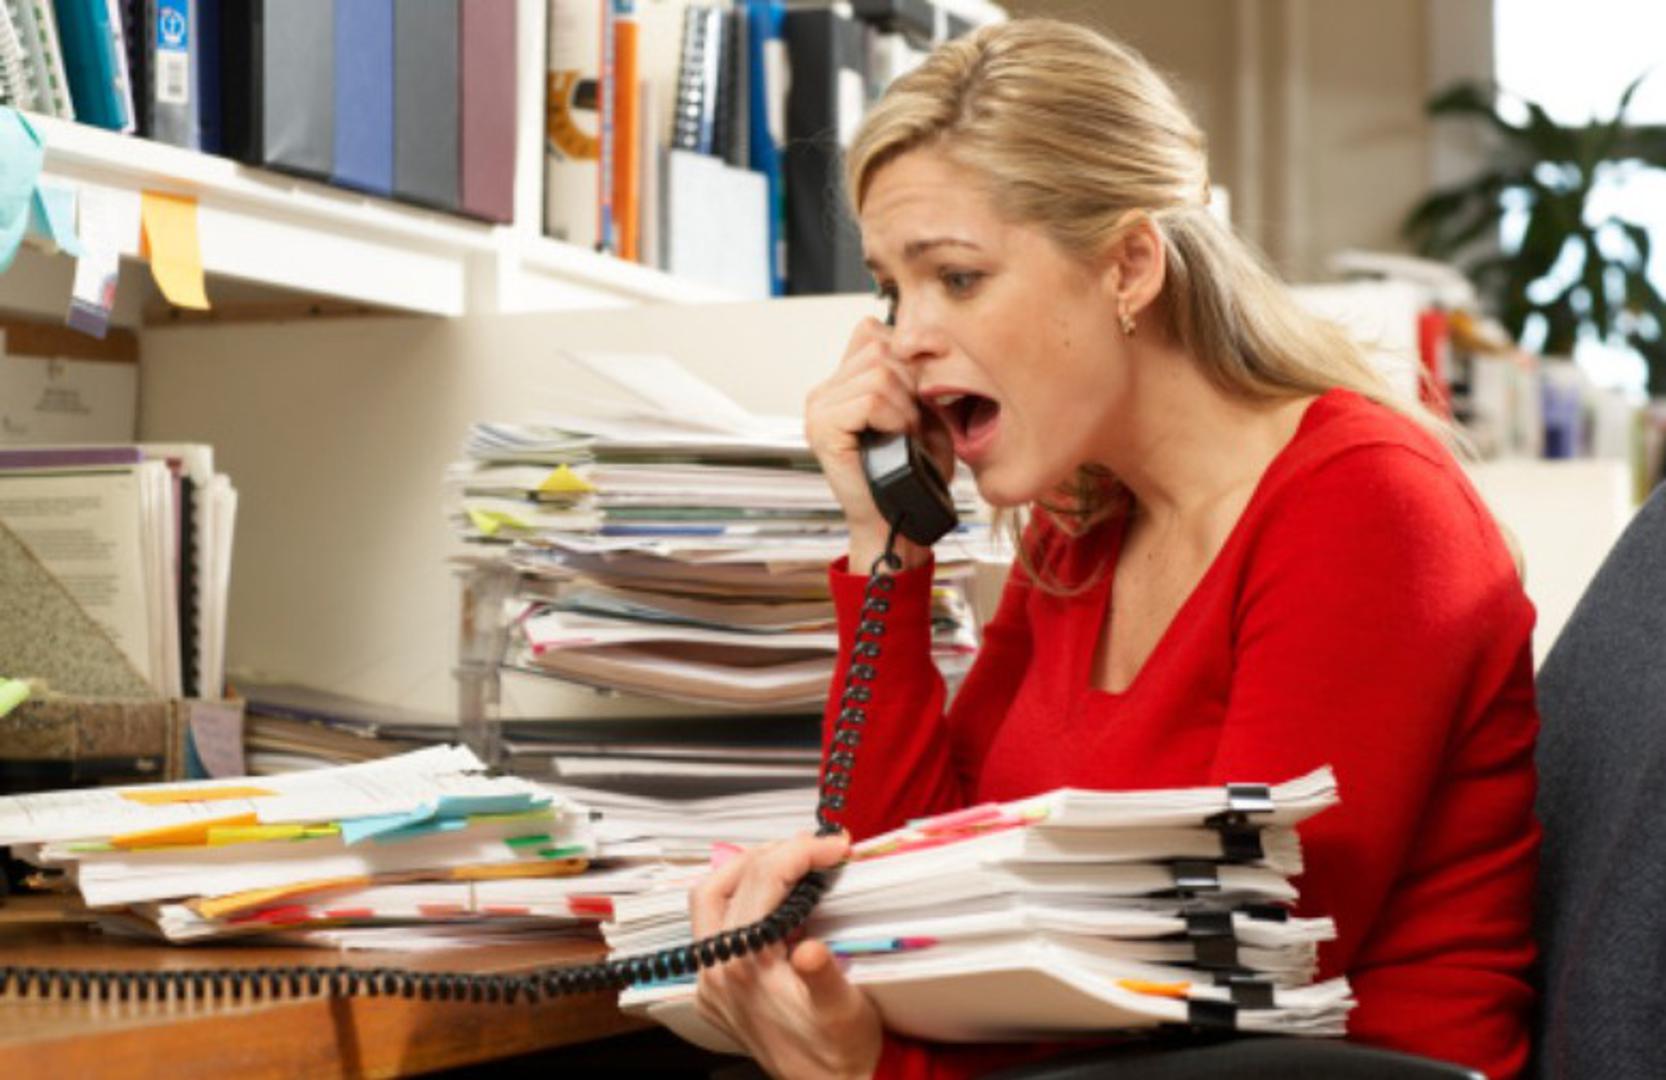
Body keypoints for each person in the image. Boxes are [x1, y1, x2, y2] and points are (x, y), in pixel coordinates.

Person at [688, 17, 1539, 1080]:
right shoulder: (1080, 529)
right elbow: (907, 886)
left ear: (1130, 266)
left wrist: (879, 1070)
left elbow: (1246, 959)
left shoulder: (1367, 506)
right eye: (890, 290)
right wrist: (884, 547)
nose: (904, 339)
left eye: (957, 277)